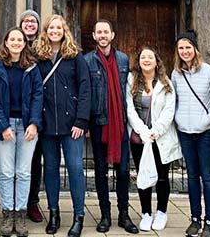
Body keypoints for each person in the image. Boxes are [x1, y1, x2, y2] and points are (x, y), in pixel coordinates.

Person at [34, 15, 90, 237]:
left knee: (76, 169)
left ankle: (79, 216)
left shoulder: (75, 57)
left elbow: (85, 89)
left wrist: (81, 120)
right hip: (47, 124)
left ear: (65, 31)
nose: (55, 31)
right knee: (50, 169)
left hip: (71, 125)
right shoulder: (39, 57)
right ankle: (54, 212)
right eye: (51, 28)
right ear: (46, 31)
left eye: (59, 27)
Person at [83, 20, 138, 234]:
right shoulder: (88, 60)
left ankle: (123, 214)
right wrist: (85, 122)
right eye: (99, 32)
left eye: (106, 32)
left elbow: (128, 90)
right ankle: (105, 215)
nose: (103, 35)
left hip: (120, 123)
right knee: (100, 170)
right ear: (95, 36)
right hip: (99, 122)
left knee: (123, 171)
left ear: (112, 35)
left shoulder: (123, 59)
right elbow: (86, 93)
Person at [0, 27, 42, 237]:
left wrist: (35, 123)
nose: (17, 43)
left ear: (24, 43)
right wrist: (3, 125)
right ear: (6, 42)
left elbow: (38, 96)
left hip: (27, 125)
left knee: (24, 172)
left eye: (20, 40)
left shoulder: (32, 67)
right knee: (7, 172)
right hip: (5, 125)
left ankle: (20, 214)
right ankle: (7, 213)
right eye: (13, 39)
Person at [126, 47, 181, 233]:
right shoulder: (131, 80)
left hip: (160, 137)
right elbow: (129, 107)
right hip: (140, 138)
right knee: (144, 174)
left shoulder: (166, 83)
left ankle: (161, 212)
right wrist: (142, 130)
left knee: (162, 176)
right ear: (139, 61)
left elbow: (169, 110)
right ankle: (146, 213)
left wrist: (156, 131)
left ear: (157, 62)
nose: (146, 60)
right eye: (143, 57)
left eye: (150, 57)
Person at [171, 31, 210, 237]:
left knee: (207, 175)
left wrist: (206, 121)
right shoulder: (176, 74)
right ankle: (195, 218)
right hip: (185, 131)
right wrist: (178, 120)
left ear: (195, 49)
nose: (185, 52)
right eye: (181, 48)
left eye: (188, 47)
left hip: (206, 132)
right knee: (192, 175)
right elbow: (173, 100)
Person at [17, 9, 45, 225]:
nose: (29, 24)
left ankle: (32, 202)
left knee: (35, 160)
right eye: (26, 21)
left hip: (38, 111)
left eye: (33, 21)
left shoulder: (42, 49)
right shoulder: (14, 44)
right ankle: (16, 203)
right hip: (17, 112)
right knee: (15, 162)